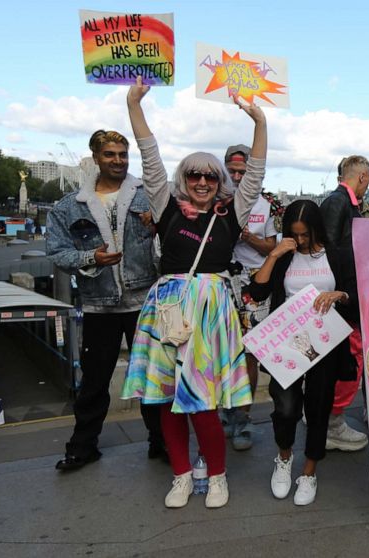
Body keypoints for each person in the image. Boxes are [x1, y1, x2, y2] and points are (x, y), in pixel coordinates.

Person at [119, 76, 267, 509]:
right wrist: (134, 104)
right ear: (184, 179)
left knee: (202, 401)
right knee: (166, 400)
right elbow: (150, 157)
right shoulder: (165, 205)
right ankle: (182, 475)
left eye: (210, 175)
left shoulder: (230, 213)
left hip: (212, 311)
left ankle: (216, 476)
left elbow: (254, 174)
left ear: (219, 181)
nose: (202, 181)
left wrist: (259, 121)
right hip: (168, 310)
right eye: (194, 174)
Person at [48, 129, 163, 471]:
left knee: (153, 379)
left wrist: (158, 225)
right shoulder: (68, 207)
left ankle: (161, 442)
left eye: (123, 154)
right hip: (99, 304)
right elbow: (56, 251)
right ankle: (82, 448)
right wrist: (90, 259)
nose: (118, 161)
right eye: (110, 154)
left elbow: (177, 238)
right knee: (94, 382)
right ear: (95, 157)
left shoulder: (151, 198)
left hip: (144, 301)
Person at [244, 200, 358, 506]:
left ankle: (309, 470)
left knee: (319, 407)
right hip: (286, 341)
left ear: (317, 229)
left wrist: (340, 294)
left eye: (306, 234)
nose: (301, 240)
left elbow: (356, 296)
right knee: (286, 407)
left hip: (326, 342)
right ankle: (284, 457)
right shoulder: (285, 256)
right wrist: (275, 254)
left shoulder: (337, 255)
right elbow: (256, 293)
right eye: (295, 234)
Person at [221, 143, 279, 452]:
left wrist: (248, 237)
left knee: (250, 353)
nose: (237, 176)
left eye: (242, 172)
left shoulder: (264, 205)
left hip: (255, 284)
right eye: (232, 171)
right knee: (222, 351)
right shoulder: (215, 202)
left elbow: (272, 247)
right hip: (221, 282)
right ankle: (226, 410)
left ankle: (243, 417)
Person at [320, 155, 369, 452]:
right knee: (350, 359)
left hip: (344, 295)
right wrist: (345, 293)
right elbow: (333, 251)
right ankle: (332, 423)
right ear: (362, 177)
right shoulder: (339, 203)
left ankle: (329, 418)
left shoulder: (341, 202)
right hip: (344, 298)